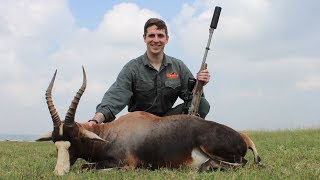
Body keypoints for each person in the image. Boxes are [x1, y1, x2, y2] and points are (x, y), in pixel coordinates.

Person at [87, 18, 211, 125]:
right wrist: (95, 121)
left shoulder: (178, 66)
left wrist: (200, 84)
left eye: (160, 36)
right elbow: (114, 98)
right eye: (151, 35)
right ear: (145, 38)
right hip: (140, 125)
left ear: (167, 39)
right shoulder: (132, 68)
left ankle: (185, 145)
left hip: (167, 122)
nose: (156, 40)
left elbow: (193, 98)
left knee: (202, 104)